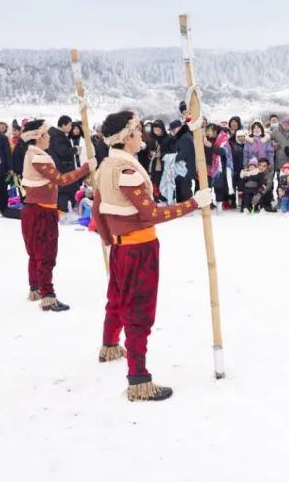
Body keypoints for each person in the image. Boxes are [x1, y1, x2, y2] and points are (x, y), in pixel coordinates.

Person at [92, 110, 211, 402]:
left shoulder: (106, 166)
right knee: (139, 311)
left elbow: (97, 210)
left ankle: (110, 344)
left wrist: (109, 241)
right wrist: (193, 203)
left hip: (122, 248)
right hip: (138, 249)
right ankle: (139, 379)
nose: (141, 137)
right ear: (127, 137)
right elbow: (151, 214)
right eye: (137, 132)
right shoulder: (126, 172)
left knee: (117, 299)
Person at [18, 119, 94, 311]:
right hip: (42, 211)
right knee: (46, 254)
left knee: (35, 253)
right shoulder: (38, 157)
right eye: (46, 134)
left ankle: (35, 288)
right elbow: (61, 179)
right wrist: (86, 168)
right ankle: (48, 296)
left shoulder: (31, 154)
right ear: (38, 137)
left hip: (32, 209)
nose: (49, 137)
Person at [47, 116, 79, 213]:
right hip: (63, 168)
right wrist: (75, 149)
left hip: (61, 168)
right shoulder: (57, 137)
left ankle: (67, 210)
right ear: (63, 125)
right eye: (69, 125)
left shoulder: (56, 135)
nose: (71, 128)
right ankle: (63, 212)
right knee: (64, 192)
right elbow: (63, 152)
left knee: (67, 191)